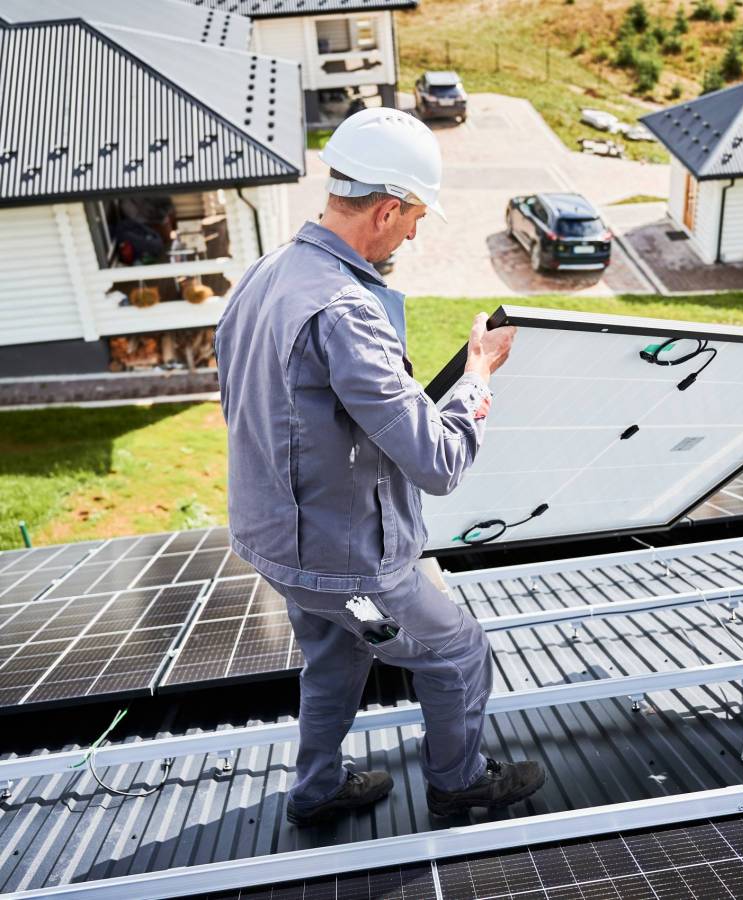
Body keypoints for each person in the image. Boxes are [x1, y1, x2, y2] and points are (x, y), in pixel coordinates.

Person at [215, 107, 545, 824]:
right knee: (455, 651)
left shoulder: (267, 273)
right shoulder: (345, 311)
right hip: (347, 567)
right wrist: (478, 374)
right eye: (416, 217)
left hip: (280, 547)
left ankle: (316, 790)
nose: (416, 231)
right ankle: (459, 784)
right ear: (388, 208)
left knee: (337, 657)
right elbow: (439, 460)